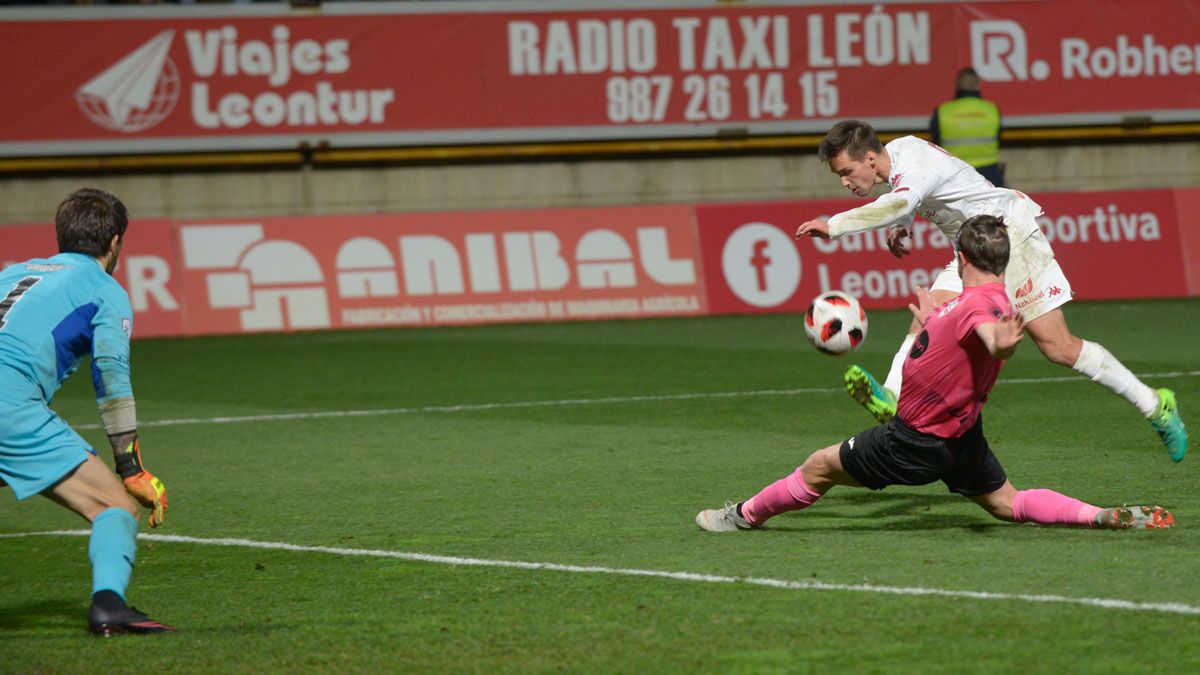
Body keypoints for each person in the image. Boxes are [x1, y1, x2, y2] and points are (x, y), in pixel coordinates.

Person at [697, 216, 1173, 533]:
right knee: (1008, 504)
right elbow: (966, 338)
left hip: (914, 442)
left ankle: (742, 516)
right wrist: (931, 325)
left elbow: (986, 334)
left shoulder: (980, 308)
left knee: (819, 466)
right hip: (963, 438)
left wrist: (1001, 345)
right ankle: (1101, 515)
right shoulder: (972, 304)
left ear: (961, 258)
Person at [794, 120, 1187, 463]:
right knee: (930, 313)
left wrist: (836, 225)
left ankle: (1155, 404)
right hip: (971, 245)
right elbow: (910, 197)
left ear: (869, 159)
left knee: (1059, 348)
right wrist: (904, 225)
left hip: (1008, 237)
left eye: (846, 171)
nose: (845, 181)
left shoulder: (911, 161)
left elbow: (901, 199)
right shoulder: (899, 152)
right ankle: (892, 395)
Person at [0, 188, 173, 635]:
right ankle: (110, 607)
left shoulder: (13, 273)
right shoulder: (104, 290)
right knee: (114, 506)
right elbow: (111, 380)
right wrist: (130, 468)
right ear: (115, 243)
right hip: (8, 405)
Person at [931, 68, 1005, 187]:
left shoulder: (943, 111)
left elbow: (935, 141)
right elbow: (998, 137)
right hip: (988, 172)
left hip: (954, 173)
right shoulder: (991, 110)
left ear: (958, 85)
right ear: (977, 85)